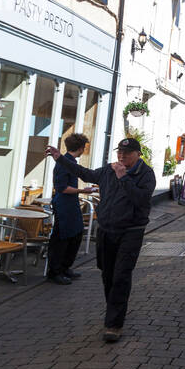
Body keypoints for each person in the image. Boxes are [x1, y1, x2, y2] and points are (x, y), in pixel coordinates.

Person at [44, 137, 155, 342]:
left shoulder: (145, 174)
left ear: (138, 154)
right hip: (106, 230)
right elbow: (85, 174)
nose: (121, 157)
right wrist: (61, 159)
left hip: (131, 231)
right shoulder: (107, 170)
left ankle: (113, 324)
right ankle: (113, 308)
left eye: (127, 154)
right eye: (119, 153)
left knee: (121, 275)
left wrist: (124, 178)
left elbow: (141, 199)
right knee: (107, 274)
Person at [45, 133, 97, 285]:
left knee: (75, 234)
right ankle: (54, 272)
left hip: (70, 203)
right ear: (81, 148)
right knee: (62, 237)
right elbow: (62, 188)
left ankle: (64, 267)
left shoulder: (70, 161)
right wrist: (83, 191)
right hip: (63, 204)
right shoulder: (64, 162)